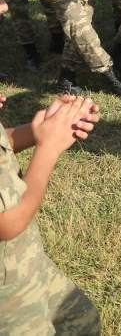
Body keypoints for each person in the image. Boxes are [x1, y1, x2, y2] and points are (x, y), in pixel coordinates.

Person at [0, 92, 102, 335]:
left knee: (81, 319)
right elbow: (10, 221)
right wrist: (48, 147)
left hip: (25, 261)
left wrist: (44, 128)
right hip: (6, 292)